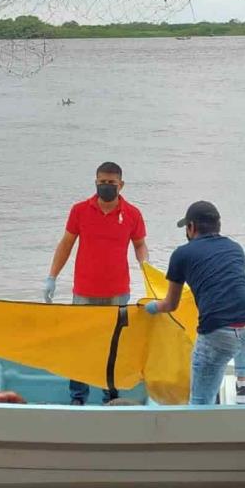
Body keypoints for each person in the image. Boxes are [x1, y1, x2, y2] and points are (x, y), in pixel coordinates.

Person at [44, 162, 149, 405]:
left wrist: (145, 267)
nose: (106, 187)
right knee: (80, 344)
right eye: (102, 182)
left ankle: (110, 395)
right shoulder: (79, 210)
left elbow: (140, 244)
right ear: (95, 182)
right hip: (84, 291)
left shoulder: (133, 214)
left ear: (121, 185)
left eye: (111, 183)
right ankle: (78, 397)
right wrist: (52, 276)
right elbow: (66, 244)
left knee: (113, 346)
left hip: (118, 292)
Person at [145, 201, 245, 405]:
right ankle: (243, 384)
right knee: (240, 336)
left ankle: (200, 427)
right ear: (218, 225)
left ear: (191, 228)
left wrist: (151, 307)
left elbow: (171, 304)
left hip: (218, 335)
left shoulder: (182, 254)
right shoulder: (235, 248)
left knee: (200, 401)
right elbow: (229, 288)